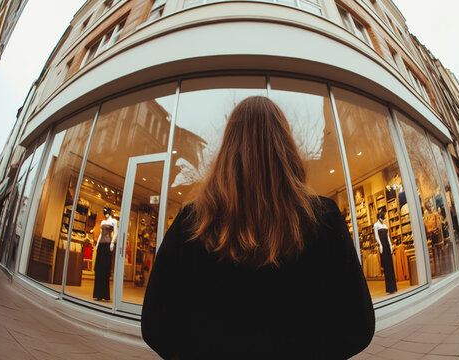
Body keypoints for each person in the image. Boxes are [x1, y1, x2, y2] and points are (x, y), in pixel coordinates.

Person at [141, 96, 375, 359]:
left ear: (228, 148)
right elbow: (359, 325)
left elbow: (155, 324)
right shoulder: (323, 218)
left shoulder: (191, 223)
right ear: (285, 146)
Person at [93, 206, 117, 301]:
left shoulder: (114, 221)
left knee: (105, 269)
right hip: (101, 245)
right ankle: (98, 294)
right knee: (98, 269)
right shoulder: (102, 222)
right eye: (104, 212)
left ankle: (105, 294)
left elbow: (116, 233)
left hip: (107, 245)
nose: (105, 213)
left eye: (107, 212)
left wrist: (112, 243)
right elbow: (100, 234)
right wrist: (97, 243)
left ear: (110, 212)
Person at [373, 210, 397, 294]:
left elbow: (388, 236)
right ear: (379, 216)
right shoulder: (376, 225)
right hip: (382, 245)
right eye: (382, 215)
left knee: (390, 265)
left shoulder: (385, 225)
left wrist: (390, 245)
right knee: (386, 266)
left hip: (387, 245)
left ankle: (393, 287)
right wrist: (380, 244)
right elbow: (376, 236)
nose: (383, 217)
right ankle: (389, 287)